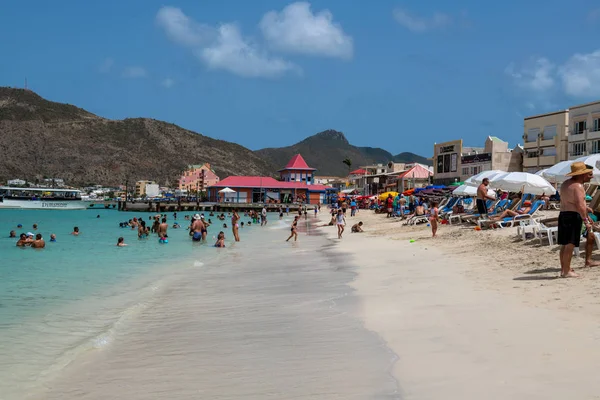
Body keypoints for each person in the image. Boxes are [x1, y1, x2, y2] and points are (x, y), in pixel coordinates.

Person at [558, 162, 594, 278]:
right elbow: (579, 205)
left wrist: (586, 210)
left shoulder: (565, 184)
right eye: (588, 175)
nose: (591, 177)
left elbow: (570, 202)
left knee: (564, 244)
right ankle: (567, 271)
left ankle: (564, 269)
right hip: (573, 216)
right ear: (581, 174)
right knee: (570, 244)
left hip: (563, 214)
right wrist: (586, 221)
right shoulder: (578, 186)